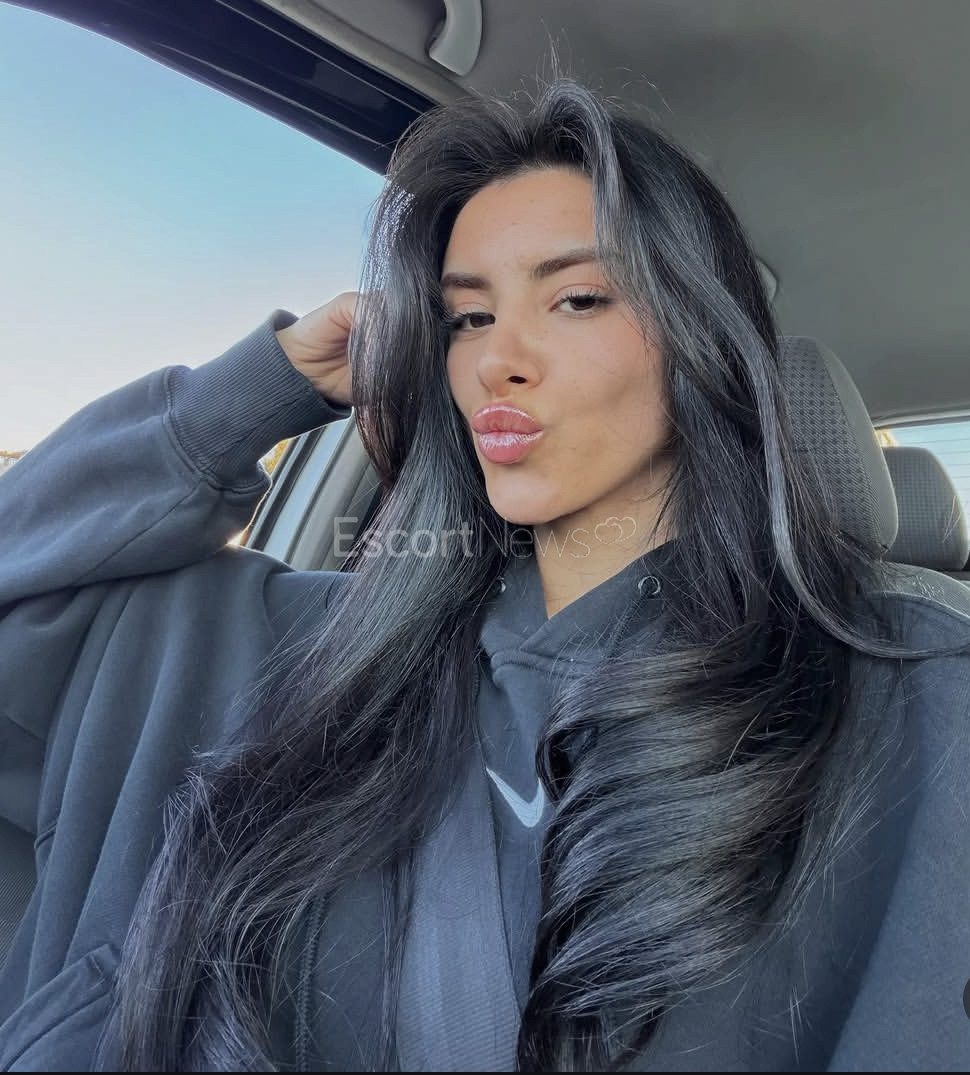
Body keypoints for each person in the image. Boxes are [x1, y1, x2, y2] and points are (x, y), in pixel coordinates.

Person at [0, 78, 967, 1073]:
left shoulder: (911, 694)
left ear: (699, 337)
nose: (497, 358)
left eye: (577, 298)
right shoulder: (291, 642)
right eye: (464, 318)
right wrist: (263, 385)